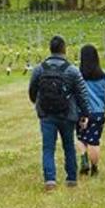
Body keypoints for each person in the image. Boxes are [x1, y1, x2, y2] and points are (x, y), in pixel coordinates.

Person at [29, 35, 91, 191]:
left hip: (46, 114)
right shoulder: (72, 70)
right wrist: (85, 114)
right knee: (68, 145)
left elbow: (32, 90)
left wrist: (38, 103)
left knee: (48, 148)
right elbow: (82, 94)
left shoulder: (39, 68)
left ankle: (50, 179)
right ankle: (71, 179)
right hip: (67, 114)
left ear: (50, 49)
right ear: (64, 49)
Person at [77, 44, 105, 177]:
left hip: (81, 112)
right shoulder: (102, 74)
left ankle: (84, 158)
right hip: (98, 112)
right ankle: (94, 168)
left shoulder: (77, 74)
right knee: (94, 141)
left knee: (80, 138)